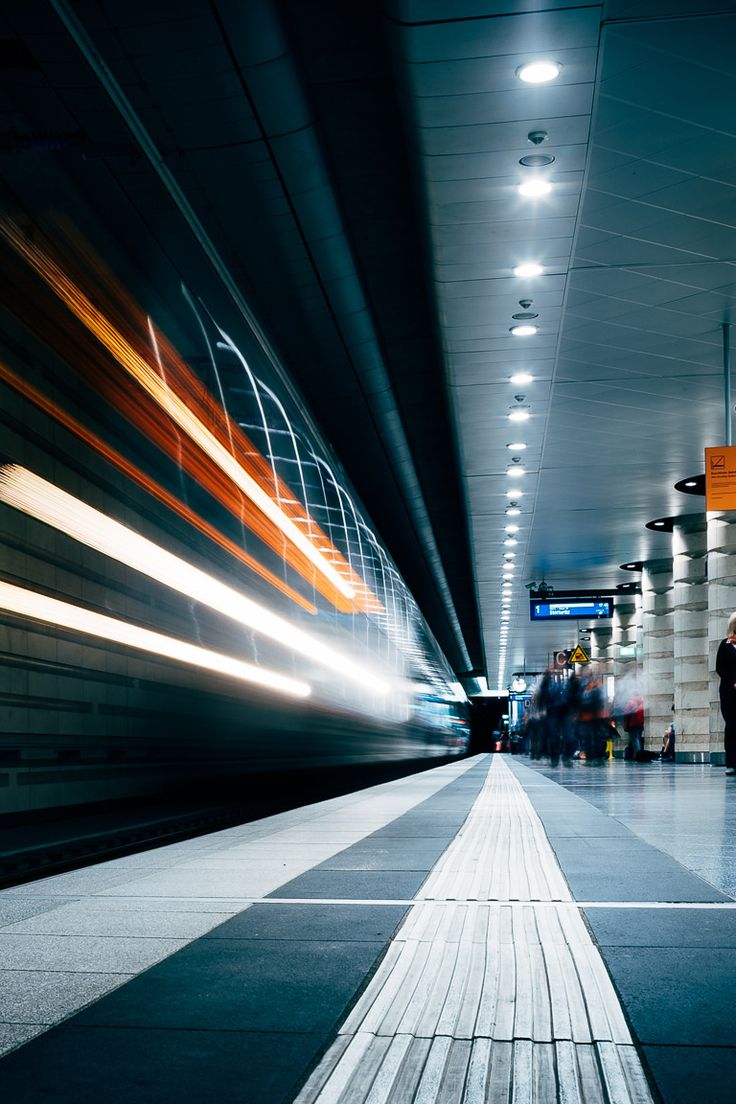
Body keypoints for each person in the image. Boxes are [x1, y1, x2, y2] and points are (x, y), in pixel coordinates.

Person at [715, 613, 736, 775]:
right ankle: (731, 762)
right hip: (729, 691)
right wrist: (733, 682)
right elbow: (720, 668)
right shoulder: (725, 644)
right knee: (732, 726)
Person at [623, 691, 645, 761]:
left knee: (635, 740)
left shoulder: (631, 702)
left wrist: (625, 724)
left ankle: (638, 755)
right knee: (637, 739)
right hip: (640, 724)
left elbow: (626, 713)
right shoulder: (642, 702)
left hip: (633, 723)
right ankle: (634, 754)